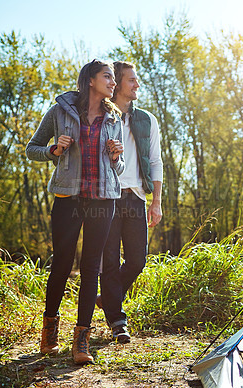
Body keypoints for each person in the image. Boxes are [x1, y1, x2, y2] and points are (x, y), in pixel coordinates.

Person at [26, 59, 124, 364]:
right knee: (62, 264)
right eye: (108, 76)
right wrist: (55, 151)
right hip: (68, 198)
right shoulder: (59, 112)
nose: (113, 82)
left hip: (102, 200)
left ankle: (81, 340)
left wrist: (116, 156)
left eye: (113, 78)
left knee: (91, 267)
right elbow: (32, 149)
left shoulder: (114, 118)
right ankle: (49, 330)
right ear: (91, 80)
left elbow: (118, 169)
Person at [97, 61, 163, 343]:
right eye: (131, 81)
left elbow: (156, 161)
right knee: (109, 261)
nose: (136, 85)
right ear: (118, 85)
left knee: (137, 261)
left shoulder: (146, 120)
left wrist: (156, 200)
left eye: (136, 80)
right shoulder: (99, 117)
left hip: (136, 196)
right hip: (107, 196)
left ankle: (107, 299)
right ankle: (117, 321)